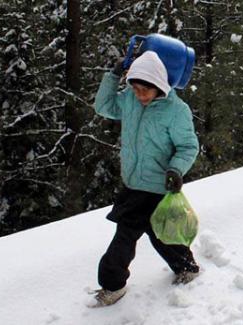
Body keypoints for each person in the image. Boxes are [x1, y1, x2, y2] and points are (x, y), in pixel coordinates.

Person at [90, 51, 200, 307]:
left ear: (160, 85)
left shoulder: (176, 110)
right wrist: (113, 76)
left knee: (134, 237)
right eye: (136, 88)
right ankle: (186, 267)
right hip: (133, 185)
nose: (140, 95)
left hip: (158, 187)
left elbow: (188, 147)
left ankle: (113, 285)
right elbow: (103, 106)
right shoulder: (129, 100)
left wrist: (176, 169)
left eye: (145, 90)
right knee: (152, 234)